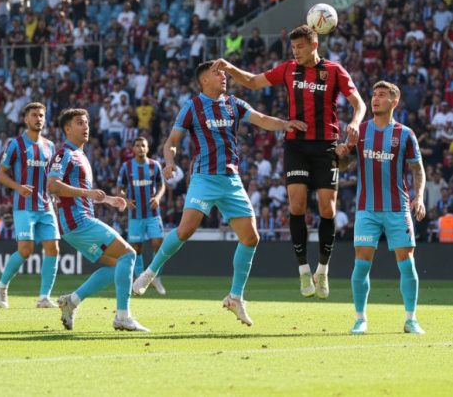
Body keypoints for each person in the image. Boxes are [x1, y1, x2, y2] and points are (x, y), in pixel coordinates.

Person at [132, 62, 307, 326]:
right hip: (204, 178)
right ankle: (151, 271)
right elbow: (171, 142)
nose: (223, 76)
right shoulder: (192, 107)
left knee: (251, 238)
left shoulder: (233, 103)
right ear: (203, 80)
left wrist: (286, 124)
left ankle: (236, 297)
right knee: (185, 230)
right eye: (217, 73)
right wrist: (169, 162)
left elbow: (261, 119)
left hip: (231, 180)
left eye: (224, 73)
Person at [212, 24, 366, 299]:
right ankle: (303, 270)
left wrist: (354, 122)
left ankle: (323, 269)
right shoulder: (287, 69)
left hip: (326, 144)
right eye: (293, 47)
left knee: (327, 209)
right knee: (296, 204)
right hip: (296, 143)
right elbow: (253, 81)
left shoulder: (334, 71)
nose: (296, 52)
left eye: (301, 47)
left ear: (314, 45)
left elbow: (359, 103)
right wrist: (230, 68)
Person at [335, 81, 426, 334]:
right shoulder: (360, 131)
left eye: (382, 95)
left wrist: (419, 197)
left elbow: (418, 170)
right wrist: (341, 154)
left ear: (394, 102)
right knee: (361, 264)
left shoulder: (405, 134)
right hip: (367, 209)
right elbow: (345, 166)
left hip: (398, 208)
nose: (375, 99)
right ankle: (360, 318)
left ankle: (411, 319)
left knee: (407, 263)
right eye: (373, 95)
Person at [48, 108, 147, 332]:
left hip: (79, 221)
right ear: (67, 128)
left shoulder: (80, 155)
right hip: (77, 222)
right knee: (129, 254)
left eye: (87, 123)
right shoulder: (64, 154)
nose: (86, 127)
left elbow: (84, 192)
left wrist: (109, 199)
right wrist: (88, 194)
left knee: (117, 266)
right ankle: (122, 316)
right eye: (80, 123)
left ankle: (71, 302)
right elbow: (52, 185)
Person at [0, 102, 60, 309]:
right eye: (34, 115)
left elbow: (52, 177)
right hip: (24, 206)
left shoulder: (50, 146)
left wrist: (56, 194)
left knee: (53, 248)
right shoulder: (16, 144)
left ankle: (44, 297)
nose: (38, 119)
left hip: (46, 205)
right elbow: (0, 174)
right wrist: (18, 187)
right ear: (25, 119)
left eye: (41, 115)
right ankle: (2, 285)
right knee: (25, 250)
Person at [117, 136, 167, 294]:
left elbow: (162, 185)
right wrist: (125, 200)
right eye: (137, 145)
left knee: (158, 244)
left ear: (147, 148)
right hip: (135, 215)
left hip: (153, 214)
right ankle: (139, 278)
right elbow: (120, 188)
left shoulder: (154, 165)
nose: (140, 148)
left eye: (143, 145)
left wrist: (158, 198)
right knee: (136, 248)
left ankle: (155, 277)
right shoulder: (127, 167)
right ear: (133, 149)